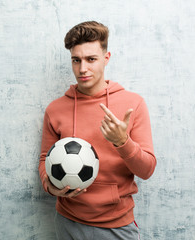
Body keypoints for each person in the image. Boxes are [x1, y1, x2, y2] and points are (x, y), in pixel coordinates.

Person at [38, 21, 157, 239]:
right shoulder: (56, 109)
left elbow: (147, 170)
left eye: (91, 59)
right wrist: (49, 186)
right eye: (76, 60)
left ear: (106, 58)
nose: (82, 69)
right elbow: (45, 159)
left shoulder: (133, 104)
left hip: (117, 225)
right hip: (67, 221)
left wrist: (123, 142)